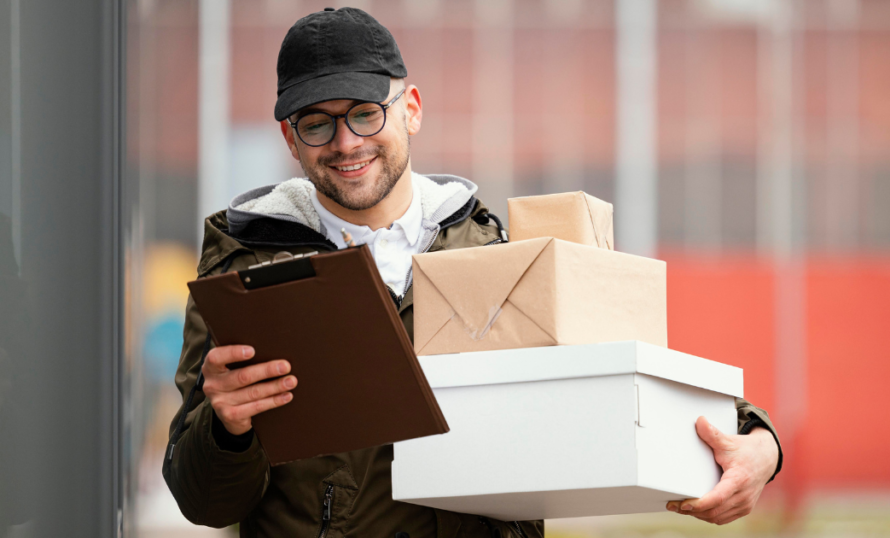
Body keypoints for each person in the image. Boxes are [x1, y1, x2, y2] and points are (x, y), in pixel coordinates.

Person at [164, 7, 783, 537]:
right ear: (290, 138)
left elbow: (624, 373)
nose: (346, 141)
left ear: (410, 108)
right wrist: (226, 427)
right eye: (317, 122)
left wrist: (761, 445)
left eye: (364, 113)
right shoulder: (243, 273)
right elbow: (205, 501)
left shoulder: (501, 253)